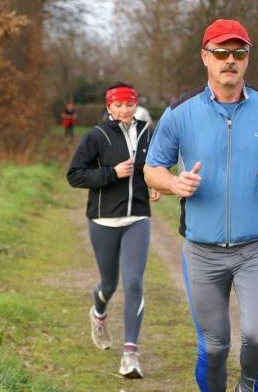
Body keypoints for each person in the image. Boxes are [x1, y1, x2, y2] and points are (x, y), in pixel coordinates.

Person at [144, 18, 258, 392]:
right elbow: (151, 170)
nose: (230, 60)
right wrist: (174, 183)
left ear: (247, 59)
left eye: (238, 53)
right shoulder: (179, 112)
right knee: (214, 347)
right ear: (205, 57)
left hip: (255, 249)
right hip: (202, 252)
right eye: (222, 53)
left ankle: (249, 386)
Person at [66, 81, 160, 379]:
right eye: (117, 105)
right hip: (103, 220)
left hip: (138, 219)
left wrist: (155, 183)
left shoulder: (148, 131)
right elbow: (75, 175)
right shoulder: (96, 136)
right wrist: (111, 173)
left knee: (133, 282)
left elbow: (155, 164)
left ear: (136, 105)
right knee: (109, 284)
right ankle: (98, 312)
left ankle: (130, 354)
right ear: (108, 107)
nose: (124, 110)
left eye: (128, 104)